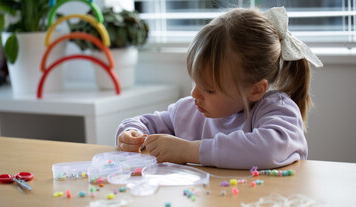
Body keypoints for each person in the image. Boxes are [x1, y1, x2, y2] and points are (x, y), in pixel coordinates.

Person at [115, 7, 323, 169]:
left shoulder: (275, 109)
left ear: (256, 90)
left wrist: (189, 151)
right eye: (196, 82)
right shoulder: (189, 111)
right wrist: (130, 133)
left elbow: (271, 148)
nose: (194, 94)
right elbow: (144, 123)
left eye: (210, 89)